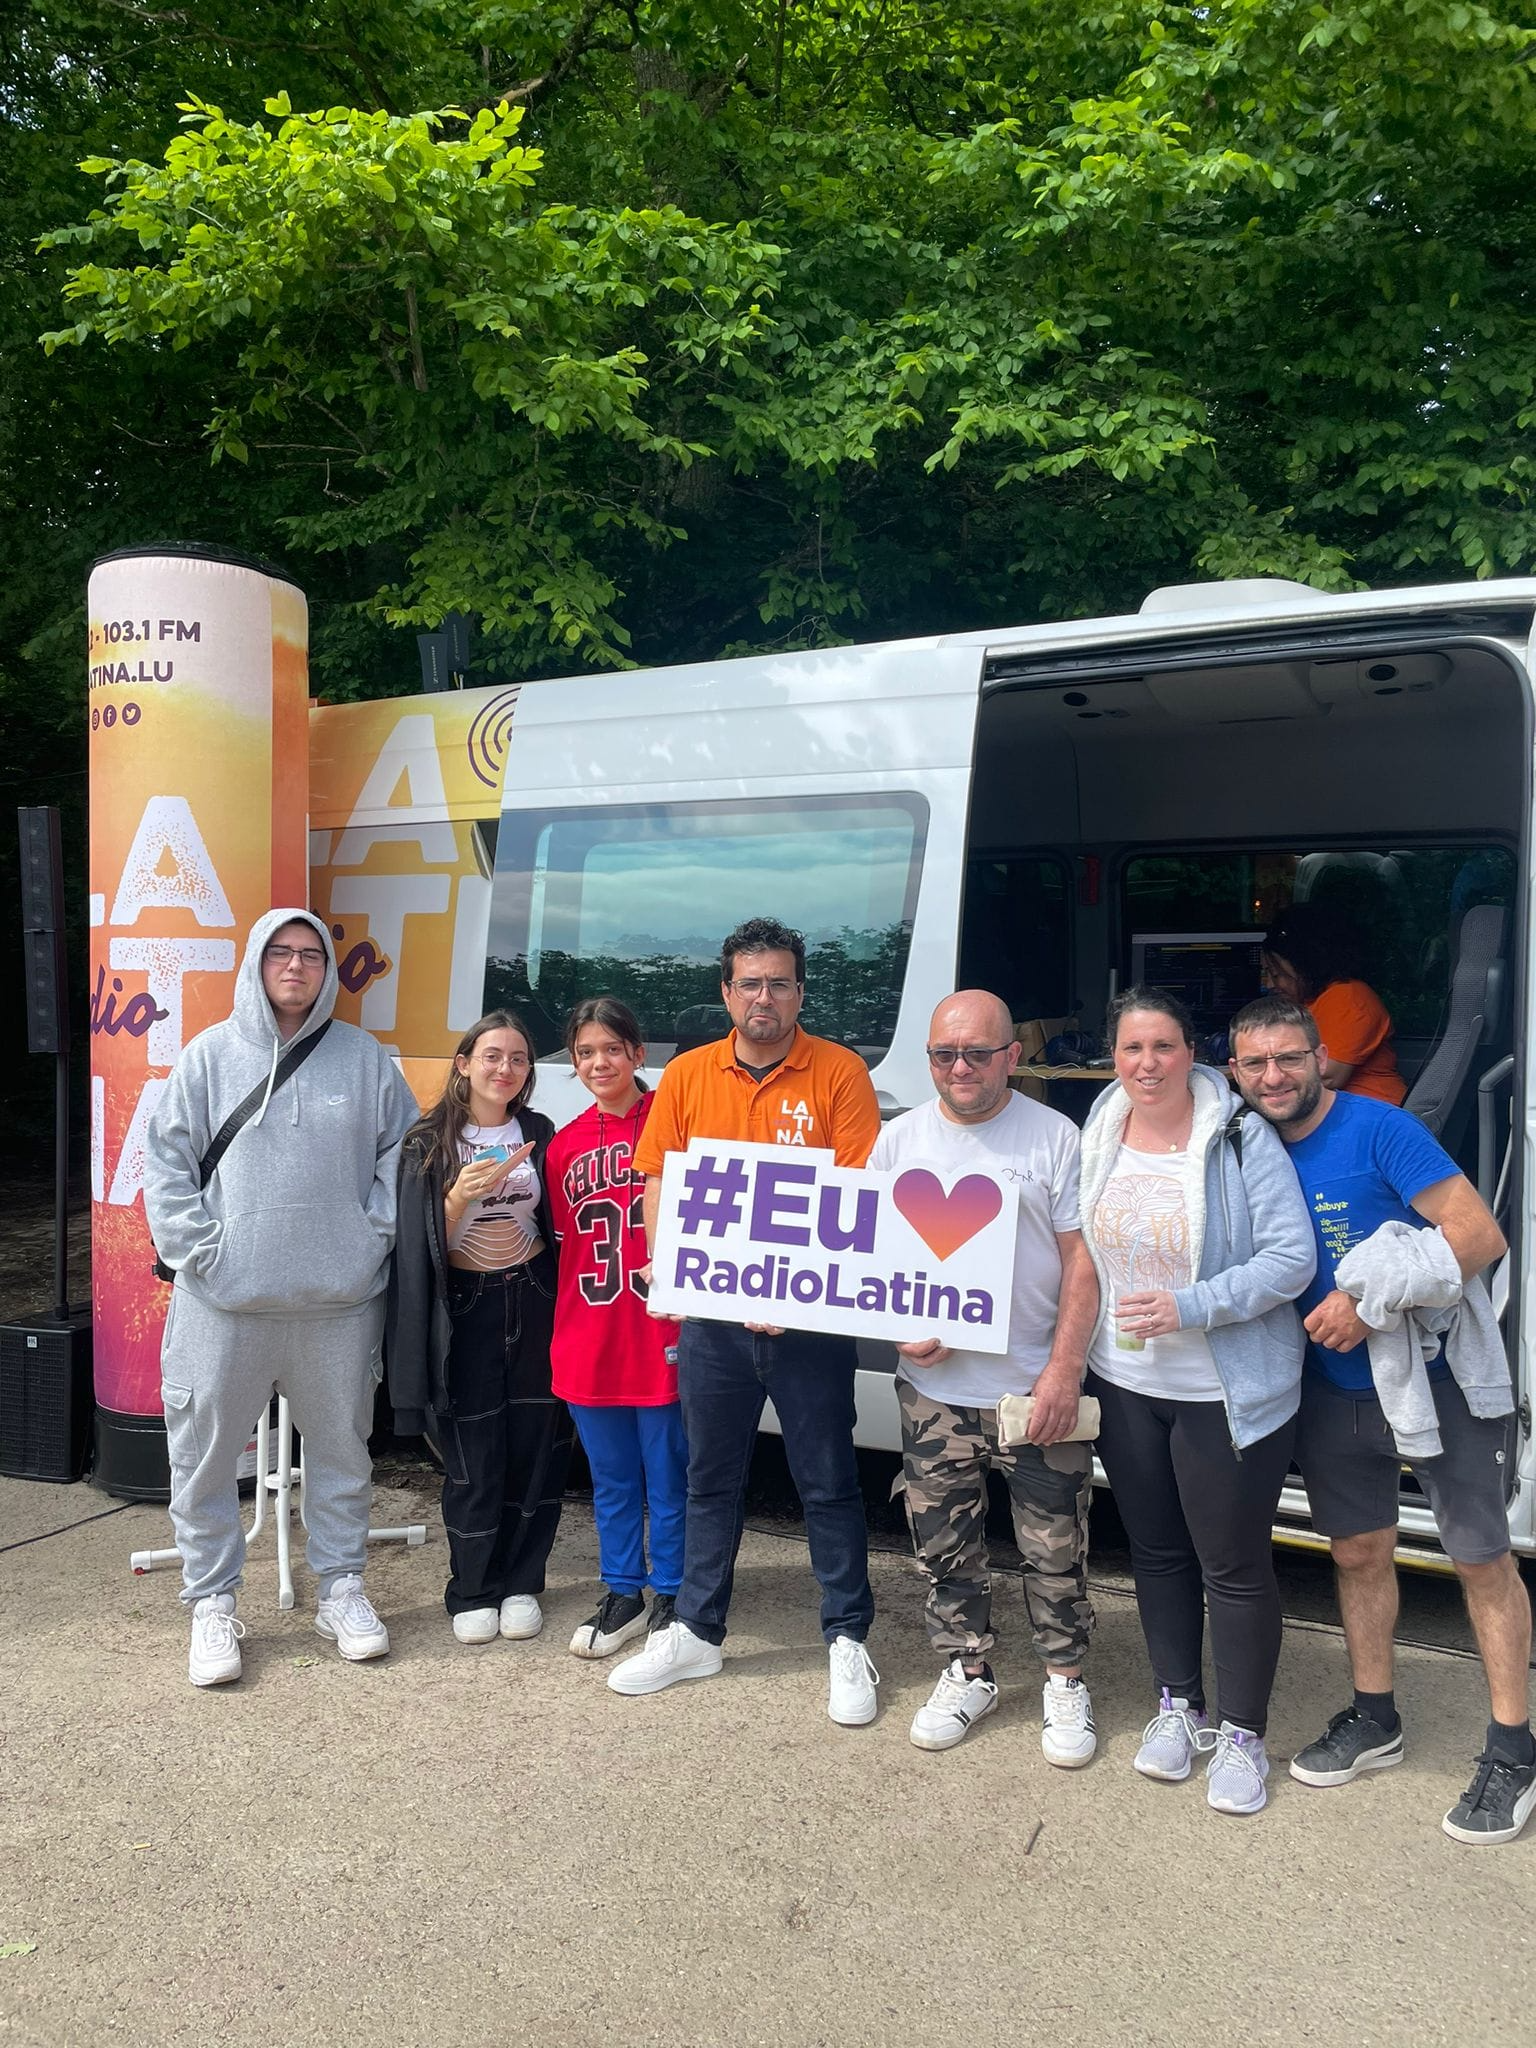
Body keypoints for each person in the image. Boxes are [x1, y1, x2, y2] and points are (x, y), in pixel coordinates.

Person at [1229, 995, 1532, 1845]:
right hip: (1331, 1389)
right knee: (1358, 1554)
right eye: (1255, 1063)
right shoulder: (1243, 1146)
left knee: (1481, 1560)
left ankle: (1514, 1749)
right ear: (1235, 1073)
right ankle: (1375, 1717)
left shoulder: (1379, 1129)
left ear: (1320, 1057)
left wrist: (1368, 1301)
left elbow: (1479, 1235)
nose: (1274, 1077)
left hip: (1436, 1381)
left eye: (1290, 1058)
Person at [608, 915, 883, 1725]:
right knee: (711, 1481)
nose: (765, 997)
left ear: (800, 992)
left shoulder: (840, 1072)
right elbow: (659, 1181)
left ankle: (847, 1637)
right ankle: (697, 1630)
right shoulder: (688, 1073)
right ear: (726, 993)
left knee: (828, 1482)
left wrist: (788, 1295)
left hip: (810, 1324)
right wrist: (668, 1268)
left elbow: (854, 1198)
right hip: (714, 1323)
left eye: (780, 983)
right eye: (751, 983)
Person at [143, 910, 417, 1687]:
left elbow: (403, 1156)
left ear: (327, 969)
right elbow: (165, 1165)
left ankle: (342, 1589)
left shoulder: (364, 1059)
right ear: (257, 965)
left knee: (342, 1453)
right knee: (203, 1459)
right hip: (224, 1305)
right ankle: (212, 1602)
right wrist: (206, 1255)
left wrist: (368, 1241)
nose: (295, 966)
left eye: (310, 955)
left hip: (337, 1304)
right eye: (280, 953)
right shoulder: (208, 1056)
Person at [1079, 988, 1316, 1815]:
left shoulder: (1241, 1136)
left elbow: (1291, 1258)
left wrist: (1192, 1305)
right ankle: (1179, 1705)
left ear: (1193, 1053)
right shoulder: (1103, 1124)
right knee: (1156, 1553)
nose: (1147, 1064)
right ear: (1114, 1056)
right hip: (1127, 1382)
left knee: (1235, 1567)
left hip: (1221, 1389)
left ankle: (1243, 1736)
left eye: (1164, 1047)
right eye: (1131, 1048)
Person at [870, 990, 1100, 1763]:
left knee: (1056, 1548)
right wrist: (898, 1328)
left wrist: (1065, 1370)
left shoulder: (1056, 1137)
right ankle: (968, 1671)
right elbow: (869, 1259)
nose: (960, 1067)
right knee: (943, 1546)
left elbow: (1081, 1263)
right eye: (945, 1054)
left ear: (1012, 1055)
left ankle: (1064, 1681)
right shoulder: (898, 1141)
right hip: (933, 1394)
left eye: (977, 1053)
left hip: (1033, 1389)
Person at [388, 1010, 571, 1645]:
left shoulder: (538, 1132)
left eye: (518, 1058)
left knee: (537, 1445)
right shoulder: (428, 1142)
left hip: (534, 1295)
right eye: (492, 1056)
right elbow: (415, 1247)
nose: (505, 1069)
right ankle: (471, 1588)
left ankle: (522, 1582)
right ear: (464, 1064)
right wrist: (459, 1196)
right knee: (471, 1454)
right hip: (465, 1305)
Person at [543, 997, 688, 1658]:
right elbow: (564, 1244)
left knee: (670, 1473)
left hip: (660, 1331)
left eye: (611, 1048)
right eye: (585, 1052)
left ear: (637, 1052)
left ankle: (675, 1592)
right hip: (590, 1333)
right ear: (574, 1063)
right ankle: (623, 1589)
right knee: (613, 1478)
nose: (599, 1062)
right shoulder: (564, 1145)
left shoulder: (672, 1120)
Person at [1261, 903, 1404, 1104]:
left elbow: (1327, 1076)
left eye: (1277, 974)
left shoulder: (1348, 996)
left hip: (1370, 1112)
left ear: (1305, 965)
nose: (1269, 984)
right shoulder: (1309, 1002)